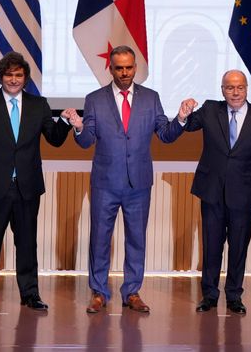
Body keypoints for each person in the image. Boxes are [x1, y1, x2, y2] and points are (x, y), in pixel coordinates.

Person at [69, 45, 190, 314]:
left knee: (136, 239)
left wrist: (180, 119)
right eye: (119, 68)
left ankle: (132, 291)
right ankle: (99, 292)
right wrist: (78, 127)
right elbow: (86, 141)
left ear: (135, 68)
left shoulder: (151, 98)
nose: (124, 73)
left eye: (129, 67)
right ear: (110, 68)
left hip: (139, 183)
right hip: (105, 182)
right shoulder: (94, 99)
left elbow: (166, 134)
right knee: (100, 239)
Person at [0, 51, 76, 312]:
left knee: (27, 243)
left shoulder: (39, 105)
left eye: (18, 75)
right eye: (8, 74)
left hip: (26, 186)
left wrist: (66, 121)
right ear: (0, 76)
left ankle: (30, 294)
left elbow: (55, 139)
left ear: (25, 78)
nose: (13, 80)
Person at [182, 70, 251, 315]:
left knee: (238, 248)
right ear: (222, 89)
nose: (235, 92)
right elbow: (190, 125)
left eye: (240, 87)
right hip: (212, 191)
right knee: (211, 246)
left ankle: (234, 296)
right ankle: (209, 295)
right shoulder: (211, 109)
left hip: (244, 194)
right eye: (229, 88)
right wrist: (184, 114)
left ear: (246, 89)